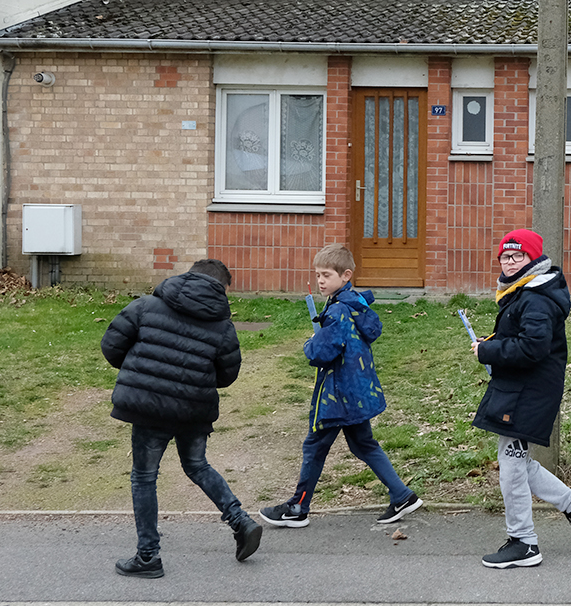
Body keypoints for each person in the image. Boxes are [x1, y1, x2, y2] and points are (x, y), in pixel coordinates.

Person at [102, 258, 262, 578]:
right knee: (198, 466)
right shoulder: (222, 326)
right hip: (193, 409)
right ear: (221, 288)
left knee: (144, 477)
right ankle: (240, 520)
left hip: (147, 405)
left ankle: (148, 556)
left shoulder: (145, 306)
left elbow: (111, 346)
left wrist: (141, 371)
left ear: (188, 276)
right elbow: (227, 374)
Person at [260, 244, 421, 528]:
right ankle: (402, 494)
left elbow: (322, 352)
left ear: (345, 275)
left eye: (326, 275)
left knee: (315, 447)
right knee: (364, 444)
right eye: (317, 275)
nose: (320, 280)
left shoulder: (337, 312)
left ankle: (298, 507)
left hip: (337, 395)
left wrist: (310, 344)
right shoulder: (355, 304)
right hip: (356, 391)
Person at [470, 228, 571, 568]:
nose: (510, 262)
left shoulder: (536, 296)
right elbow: (524, 336)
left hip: (528, 391)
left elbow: (533, 347)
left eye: (518, 257)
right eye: (505, 256)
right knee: (517, 462)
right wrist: (494, 341)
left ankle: (524, 543)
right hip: (521, 389)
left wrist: (488, 350)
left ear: (533, 259)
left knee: (511, 469)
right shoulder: (525, 292)